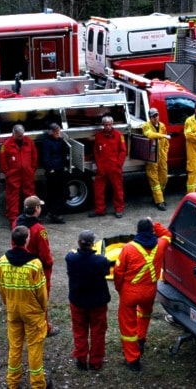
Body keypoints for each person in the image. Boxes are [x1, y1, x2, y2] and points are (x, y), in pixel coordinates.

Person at [113, 217, 172, 372]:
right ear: (151, 230)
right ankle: (141, 339)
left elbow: (118, 273)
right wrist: (155, 224)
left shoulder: (128, 248)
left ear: (137, 231)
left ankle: (133, 360)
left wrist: (120, 289)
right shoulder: (160, 245)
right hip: (149, 291)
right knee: (144, 314)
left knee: (127, 326)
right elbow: (167, 235)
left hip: (130, 292)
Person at [0, 226, 51, 389]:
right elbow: (42, 292)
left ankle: (12, 382)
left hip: (13, 310)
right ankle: (38, 384)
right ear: (27, 240)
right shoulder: (34, 264)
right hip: (32, 312)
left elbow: (1, 288)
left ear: (13, 240)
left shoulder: (1, 262)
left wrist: (8, 303)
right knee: (34, 348)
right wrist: (43, 309)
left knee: (15, 346)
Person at [65, 230, 114, 371]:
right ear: (93, 244)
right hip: (97, 302)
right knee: (98, 332)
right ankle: (95, 362)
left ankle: (81, 359)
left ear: (78, 243)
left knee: (79, 330)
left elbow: (71, 255)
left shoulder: (71, 258)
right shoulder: (100, 261)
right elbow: (106, 269)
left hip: (78, 301)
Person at [15, 196, 59, 336]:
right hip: (39, 269)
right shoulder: (39, 229)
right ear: (36, 209)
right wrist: (49, 264)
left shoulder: (17, 223)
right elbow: (45, 254)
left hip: (22, 264)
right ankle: (44, 326)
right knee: (42, 298)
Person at [0, 124, 38, 227]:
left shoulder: (29, 142)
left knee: (30, 196)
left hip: (27, 174)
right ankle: (14, 221)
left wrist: (32, 169)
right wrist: (7, 173)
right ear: (14, 133)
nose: (21, 137)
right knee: (12, 197)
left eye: (22, 135)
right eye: (19, 136)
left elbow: (34, 156)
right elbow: (2, 162)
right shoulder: (6, 145)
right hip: (13, 175)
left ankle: (31, 217)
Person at [89, 115, 126, 218]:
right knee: (98, 189)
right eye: (106, 125)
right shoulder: (99, 136)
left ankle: (119, 209)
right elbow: (96, 151)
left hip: (114, 167)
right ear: (103, 125)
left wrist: (118, 164)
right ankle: (99, 210)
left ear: (112, 124)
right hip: (102, 167)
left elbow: (123, 151)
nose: (108, 127)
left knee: (118, 189)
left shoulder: (118, 135)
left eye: (109, 124)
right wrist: (99, 164)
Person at [141, 108, 171, 211]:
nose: (155, 118)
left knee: (164, 177)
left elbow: (166, 142)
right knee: (154, 178)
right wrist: (163, 135)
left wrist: (165, 152)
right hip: (151, 156)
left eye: (157, 115)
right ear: (150, 117)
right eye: (153, 116)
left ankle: (158, 197)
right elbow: (150, 135)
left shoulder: (162, 125)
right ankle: (159, 201)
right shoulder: (146, 126)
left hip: (162, 155)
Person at [41, 123, 68, 224]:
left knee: (64, 193)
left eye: (59, 131)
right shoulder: (47, 142)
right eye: (56, 132)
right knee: (55, 193)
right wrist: (50, 169)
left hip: (60, 169)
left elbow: (65, 151)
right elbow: (45, 158)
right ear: (51, 132)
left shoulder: (60, 141)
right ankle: (55, 214)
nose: (58, 133)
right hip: (53, 171)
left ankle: (53, 212)